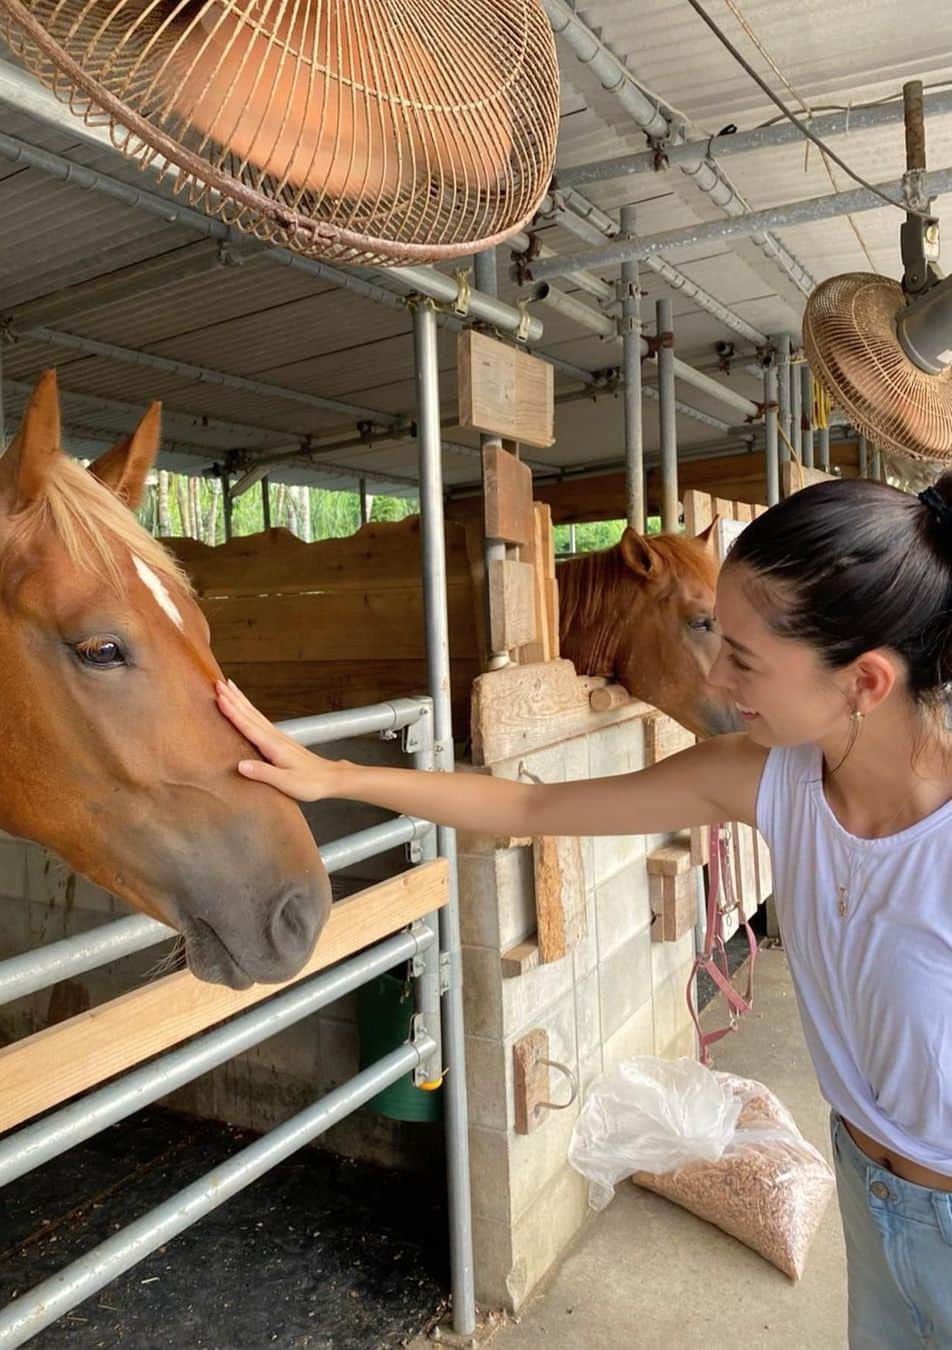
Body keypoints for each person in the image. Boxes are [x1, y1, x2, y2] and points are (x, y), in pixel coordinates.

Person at [216, 474, 952, 1350]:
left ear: (863, 681)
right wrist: (336, 777)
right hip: (870, 1193)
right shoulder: (770, 780)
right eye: (718, 637)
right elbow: (532, 810)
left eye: (742, 657)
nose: (716, 673)